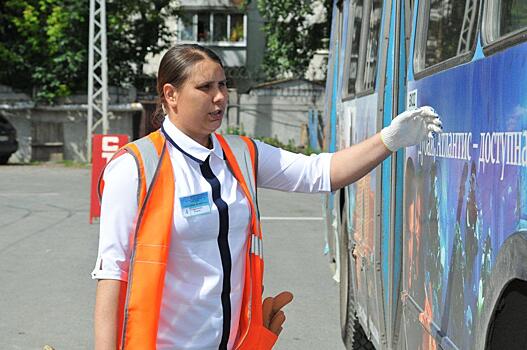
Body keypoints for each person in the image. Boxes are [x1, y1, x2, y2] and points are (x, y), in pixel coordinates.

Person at [92, 44, 442, 350]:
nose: (219, 97)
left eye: (222, 85)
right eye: (205, 87)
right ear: (170, 95)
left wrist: (389, 140)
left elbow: (320, 173)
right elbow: (113, 274)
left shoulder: (241, 154)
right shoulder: (135, 169)